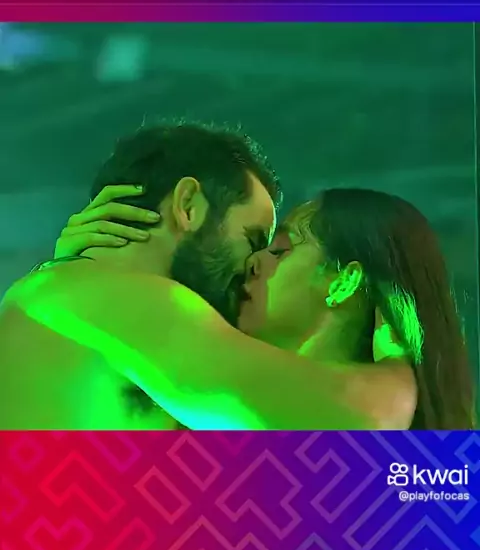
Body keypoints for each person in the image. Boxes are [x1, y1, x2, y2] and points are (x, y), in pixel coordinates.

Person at [1, 121, 472, 429]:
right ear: (189, 206)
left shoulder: (82, 298)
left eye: (276, 250)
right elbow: (357, 422)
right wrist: (400, 366)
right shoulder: (111, 297)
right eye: (253, 239)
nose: (253, 263)